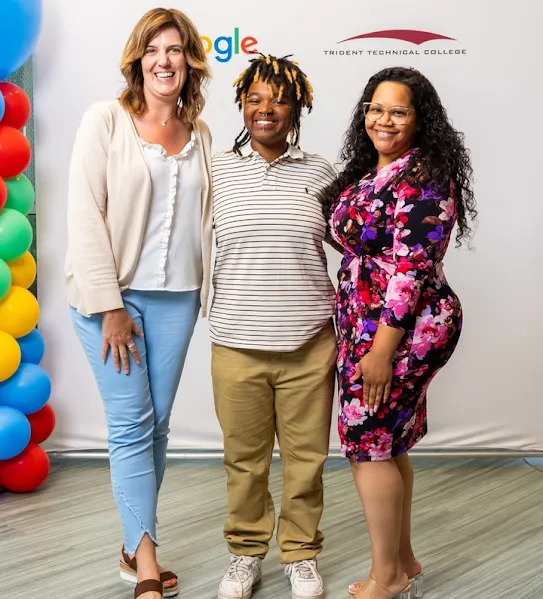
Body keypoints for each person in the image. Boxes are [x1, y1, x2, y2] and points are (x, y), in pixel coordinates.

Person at [65, 8, 212, 599]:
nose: (165, 61)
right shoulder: (105, 120)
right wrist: (109, 306)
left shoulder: (200, 133)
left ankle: (132, 543)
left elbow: (208, 222)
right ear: (137, 60)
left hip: (178, 298)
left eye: (175, 50)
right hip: (111, 302)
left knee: (157, 426)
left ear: (189, 61)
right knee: (130, 425)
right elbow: (84, 217)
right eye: (154, 50)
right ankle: (146, 563)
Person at [323, 67, 476, 599]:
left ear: (420, 119)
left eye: (398, 111)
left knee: (369, 445)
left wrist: (381, 352)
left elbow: (410, 270)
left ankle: (386, 578)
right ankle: (404, 559)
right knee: (390, 440)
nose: (383, 119)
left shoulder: (425, 178)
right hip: (370, 322)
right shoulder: (375, 171)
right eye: (375, 108)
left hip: (401, 328)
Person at [210, 53, 338, 599]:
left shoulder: (322, 172)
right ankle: (245, 554)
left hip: (310, 344)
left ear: (297, 106)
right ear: (241, 104)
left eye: (279, 98)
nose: (267, 109)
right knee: (244, 461)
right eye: (255, 98)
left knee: (307, 460)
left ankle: (301, 555)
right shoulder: (214, 170)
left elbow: (358, 247)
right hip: (236, 343)